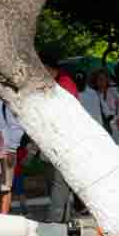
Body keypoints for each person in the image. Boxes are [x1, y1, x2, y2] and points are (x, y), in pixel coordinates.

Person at [40, 52, 81, 223]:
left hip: (64, 140)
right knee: (56, 184)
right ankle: (62, 218)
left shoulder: (64, 84)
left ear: (51, 68)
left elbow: (64, 113)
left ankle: (55, 220)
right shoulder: (57, 83)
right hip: (54, 139)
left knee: (60, 184)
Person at [79, 68, 119, 144]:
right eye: (99, 79)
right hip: (101, 124)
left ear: (107, 80)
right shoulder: (93, 94)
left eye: (103, 79)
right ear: (95, 81)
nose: (102, 81)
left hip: (115, 124)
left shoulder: (113, 91)